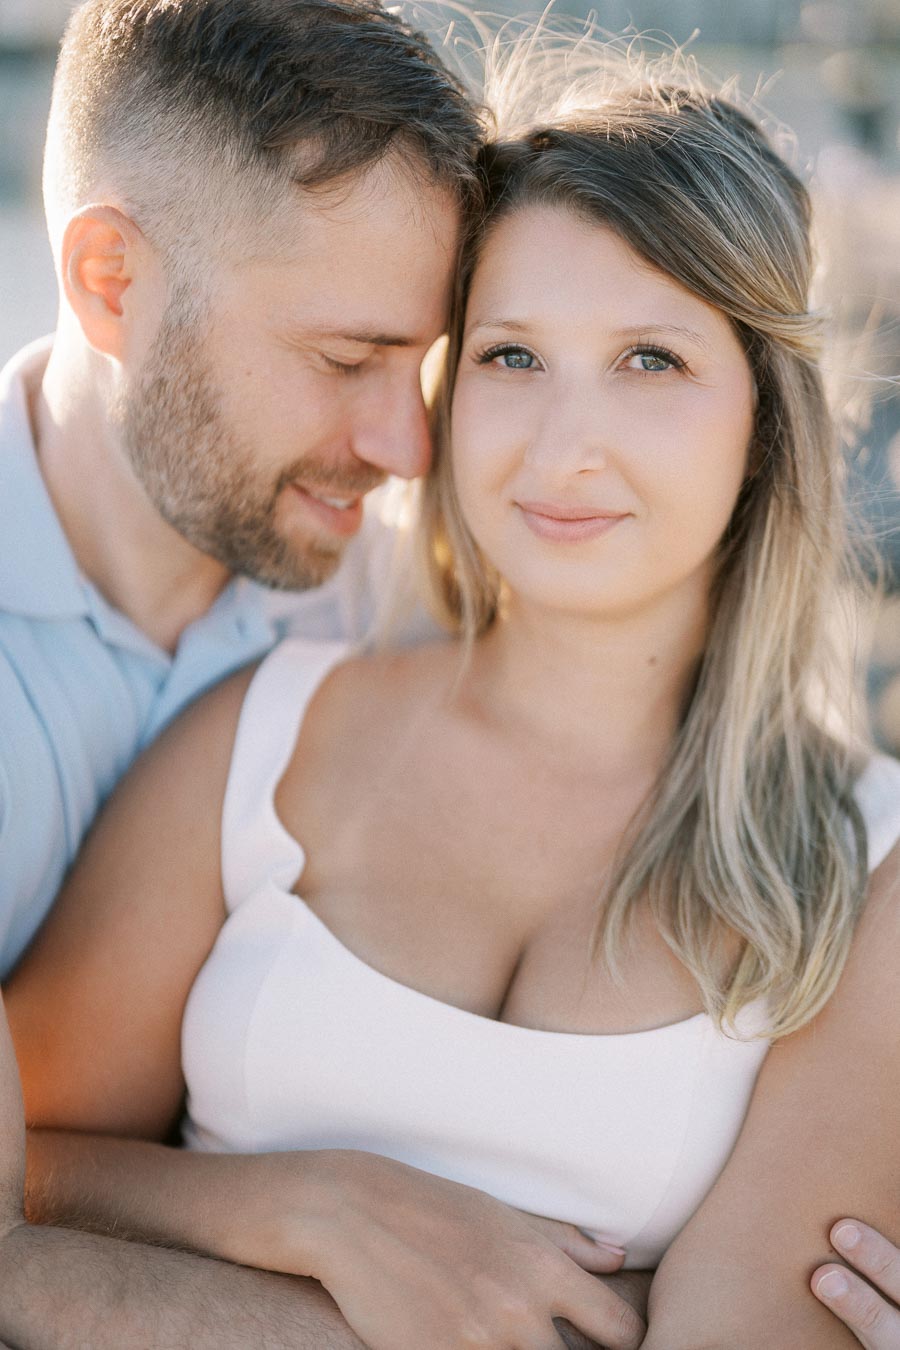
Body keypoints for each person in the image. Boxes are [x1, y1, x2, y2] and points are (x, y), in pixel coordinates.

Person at [9, 50, 900, 1349]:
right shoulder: (268, 725)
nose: (561, 444)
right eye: (512, 356)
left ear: (764, 418)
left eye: (650, 359)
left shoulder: (862, 858)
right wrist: (294, 1204)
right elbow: (26, 1154)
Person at [0, 0, 483, 1341]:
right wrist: (267, 1203)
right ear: (112, 281)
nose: (408, 447)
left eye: (430, 361)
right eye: (346, 359)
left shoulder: (411, 616)